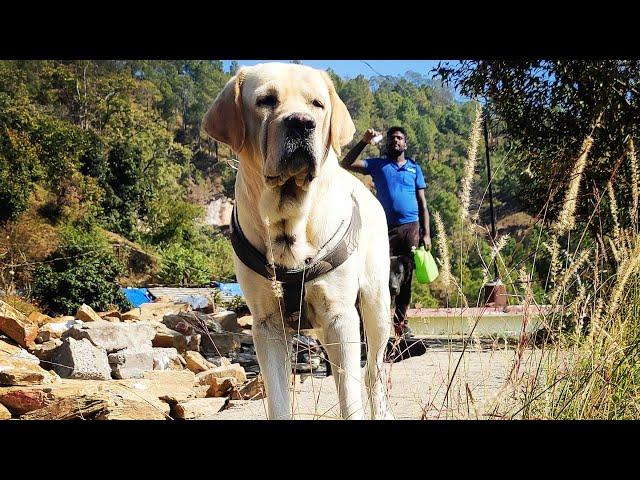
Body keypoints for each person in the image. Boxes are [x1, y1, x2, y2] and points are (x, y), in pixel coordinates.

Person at [341, 126, 431, 337]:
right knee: (378, 275)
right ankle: (372, 326)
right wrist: (363, 141)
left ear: (405, 144)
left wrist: (426, 234)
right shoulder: (378, 165)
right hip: (383, 228)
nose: (395, 141)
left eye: (400, 138)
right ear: (386, 144)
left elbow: (422, 203)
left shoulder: (414, 168)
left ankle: (401, 326)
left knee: (406, 278)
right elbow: (345, 164)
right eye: (392, 139)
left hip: (411, 228)